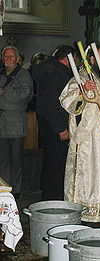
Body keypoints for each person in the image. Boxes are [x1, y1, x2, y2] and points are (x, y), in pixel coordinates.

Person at [59, 45, 100, 223]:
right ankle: (84, 213)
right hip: (88, 137)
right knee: (89, 173)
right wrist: (81, 91)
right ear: (91, 61)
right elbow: (66, 101)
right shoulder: (80, 79)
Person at [32, 45, 76, 200]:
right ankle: (53, 198)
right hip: (55, 125)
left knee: (51, 159)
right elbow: (52, 103)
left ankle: (48, 193)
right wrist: (61, 127)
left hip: (47, 124)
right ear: (69, 58)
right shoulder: (58, 73)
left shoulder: (48, 68)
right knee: (56, 163)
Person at [0, 46, 33, 197]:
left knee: (16, 159)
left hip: (16, 125)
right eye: (6, 56)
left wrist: (4, 92)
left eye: (11, 56)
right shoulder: (1, 74)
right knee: (3, 161)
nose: (8, 59)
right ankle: (5, 189)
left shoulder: (24, 75)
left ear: (18, 58)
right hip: (2, 125)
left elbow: (24, 95)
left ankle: (17, 190)